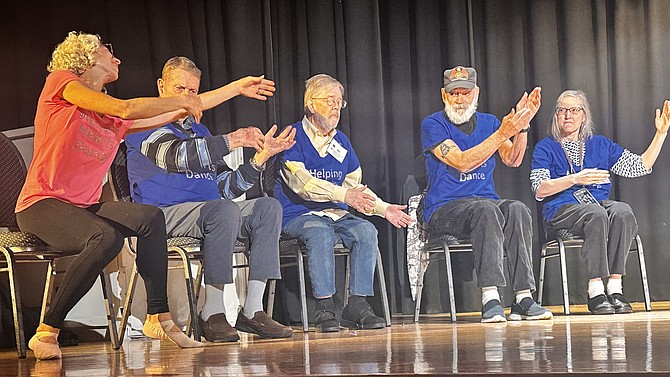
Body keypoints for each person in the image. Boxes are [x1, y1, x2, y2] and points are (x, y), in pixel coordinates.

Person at [15, 32, 205, 360]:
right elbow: (128, 108)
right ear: (86, 57)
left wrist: (236, 88)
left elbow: (179, 111)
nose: (117, 58)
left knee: (149, 217)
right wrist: (181, 102)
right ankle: (47, 331)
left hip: (83, 206)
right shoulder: (61, 83)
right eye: (109, 52)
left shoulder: (112, 119)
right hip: (41, 204)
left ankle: (157, 317)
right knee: (107, 238)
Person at [125, 56, 295, 341]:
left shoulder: (201, 132)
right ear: (161, 86)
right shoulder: (143, 124)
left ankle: (253, 310)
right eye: (180, 89)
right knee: (222, 211)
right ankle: (213, 313)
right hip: (162, 216)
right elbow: (176, 157)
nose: (188, 97)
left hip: (212, 213)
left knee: (268, 207)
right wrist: (233, 140)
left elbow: (226, 188)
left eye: (193, 91)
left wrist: (260, 159)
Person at [274, 74, 413, 332]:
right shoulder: (291, 137)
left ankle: (356, 305)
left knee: (366, 230)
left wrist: (383, 209)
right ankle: (324, 307)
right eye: (330, 101)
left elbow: (354, 189)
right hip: (298, 215)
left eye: (340, 102)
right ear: (312, 104)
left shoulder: (342, 142)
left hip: (336, 213)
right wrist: (343, 196)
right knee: (319, 232)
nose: (337, 107)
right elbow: (302, 185)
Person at [420, 65, 552, 323]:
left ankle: (523, 297)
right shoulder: (433, 124)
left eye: (465, 93)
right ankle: (491, 297)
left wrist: (521, 128)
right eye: (454, 93)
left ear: (476, 93)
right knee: (486, 209)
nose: (459, 99)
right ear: (444, 95)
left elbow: (513, 159)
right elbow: (461, 162)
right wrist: (503, 132)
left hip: (483, 203)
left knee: (517, 209)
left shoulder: (490, 122)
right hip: (444, 208)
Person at [530, 90, 670, 315]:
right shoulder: (546, 147)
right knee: (596, 214)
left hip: (597, 205)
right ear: (556, 116)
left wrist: (660, 134)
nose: (568, 115)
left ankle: (614, 287)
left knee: (622, 211)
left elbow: (639, 166)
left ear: (583, 115)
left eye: (574, 110)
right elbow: (540, 188)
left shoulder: (600, 144)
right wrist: (575, 179)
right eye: (562, 110)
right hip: (561, 211)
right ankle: (595, 290)